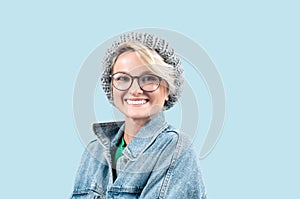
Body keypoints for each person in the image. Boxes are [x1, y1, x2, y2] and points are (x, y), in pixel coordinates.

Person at [71, 32, 207, 199]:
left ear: (168, 90)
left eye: (149, 78)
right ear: (111, 88)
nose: (135, 90)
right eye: (122, 78)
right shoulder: (94, 150)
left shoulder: (175, 150)